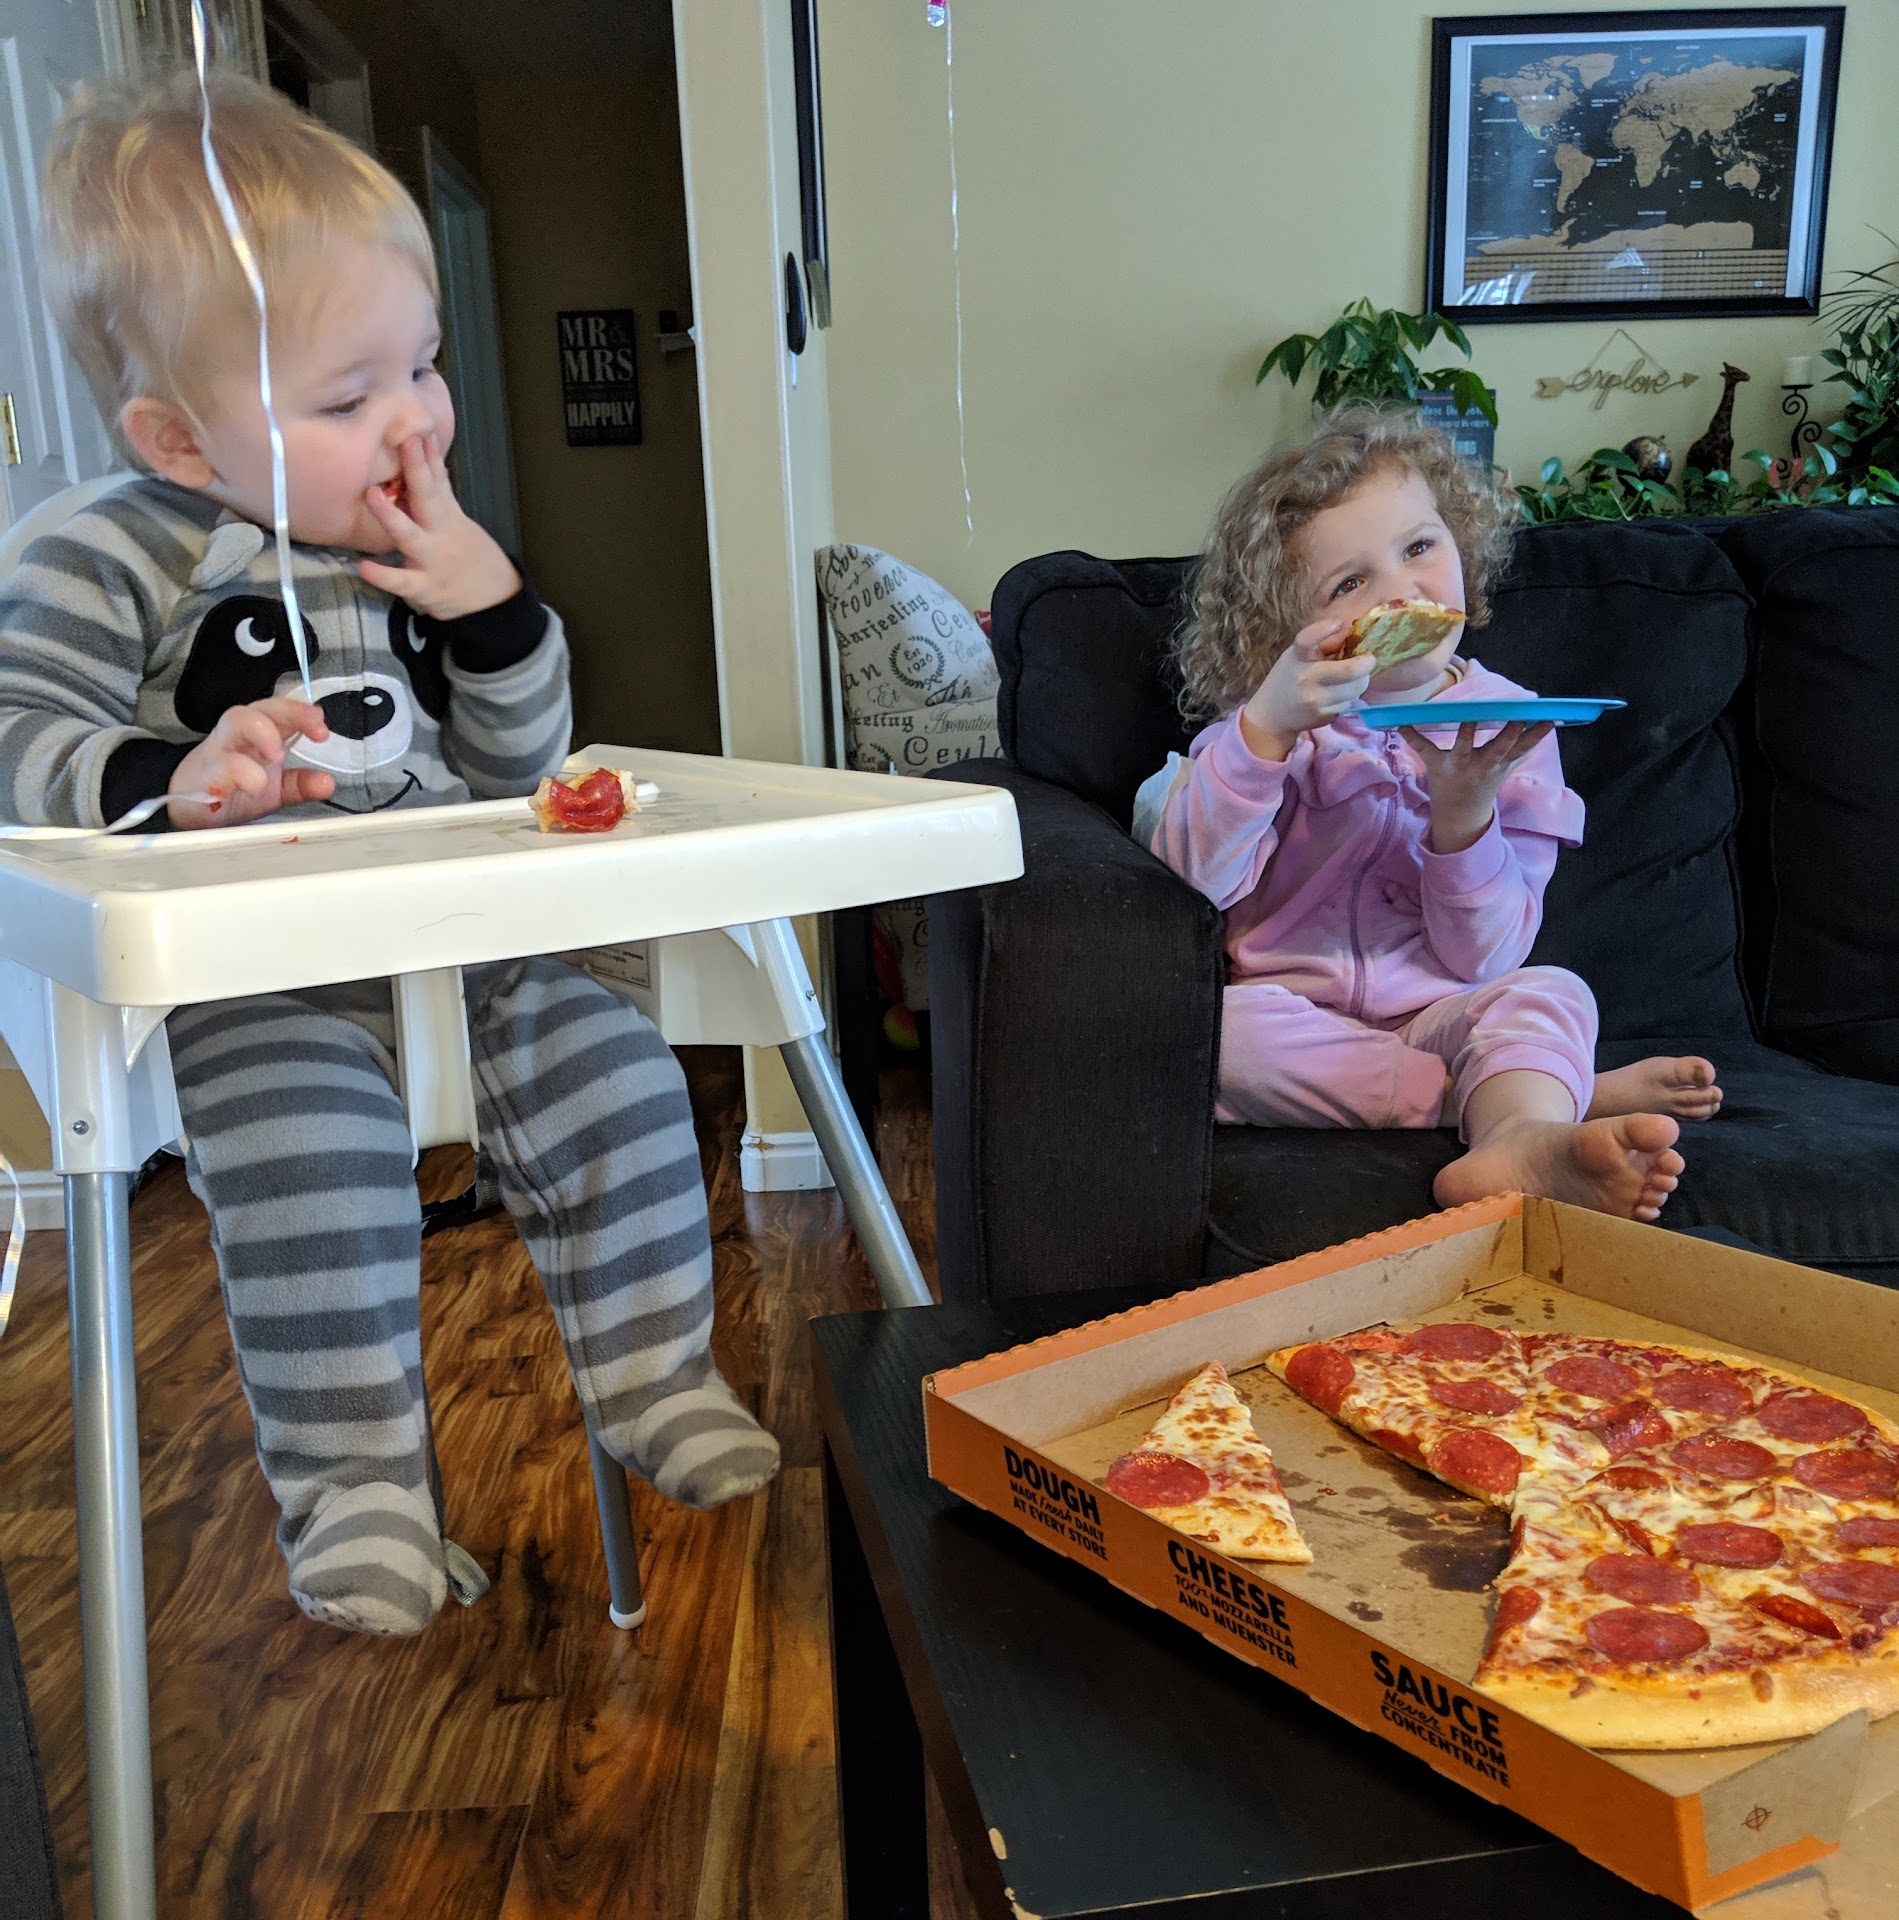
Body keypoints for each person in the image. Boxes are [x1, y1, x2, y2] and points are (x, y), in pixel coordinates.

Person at [0, 72, 778, 1635]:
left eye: (421, 366)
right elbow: (16, 733)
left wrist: (494, 614)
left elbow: (519, 771)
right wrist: (170, 773)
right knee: (308, 1182)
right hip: (264, 984)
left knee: (619, 1072)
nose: (415, 419)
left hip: (471, 951)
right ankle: (354, 1485)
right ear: (181, 437)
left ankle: (652, 1374)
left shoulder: (419, 546)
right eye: (349, 397)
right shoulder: (114, 550)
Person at [1151, 410, 1721, 1221]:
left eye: (1419, 547)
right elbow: (1187, 884)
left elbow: (1484, 956)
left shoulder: (1514, 728)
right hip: (1296, 1017)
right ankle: (1522, 1101)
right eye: (1348, 583)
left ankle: (1520, 1133)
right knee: (1210, 1035)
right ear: (1286, 625)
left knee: (1550, 994)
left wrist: (1463, 820)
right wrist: (1264, 730)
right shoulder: (1271, 726)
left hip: (1445, 1011)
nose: (1400, 591)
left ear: (1463, 544)